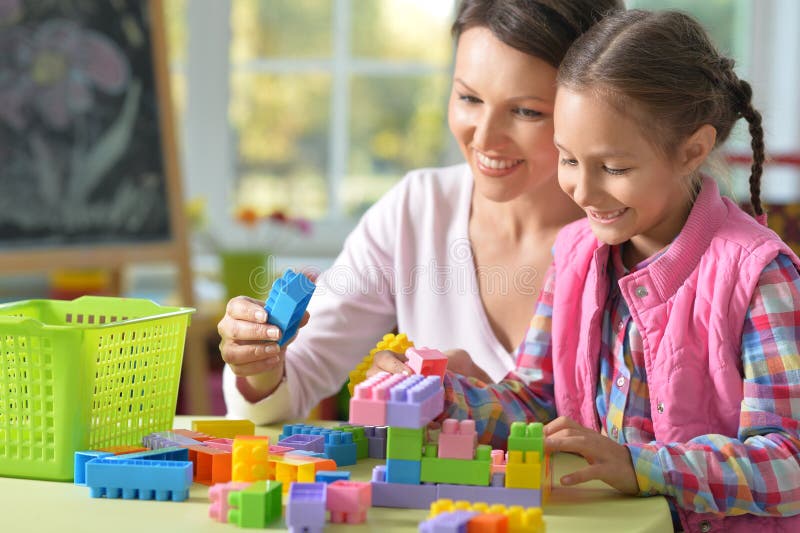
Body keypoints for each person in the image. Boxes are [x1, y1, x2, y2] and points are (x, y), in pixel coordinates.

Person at [444, 8, 800, 532]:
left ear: (693, 150)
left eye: (613, 168)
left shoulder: (759, 276)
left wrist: (641, 466)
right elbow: (538, 404)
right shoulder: (573, 254)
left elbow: (787, 464)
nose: (583, 192)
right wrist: (444, 395)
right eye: (568, 158)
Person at [218, 0, 623, 424]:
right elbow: (290, 384)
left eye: (526, 111)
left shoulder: (633, 230)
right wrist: (258, 363)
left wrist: (488, 407)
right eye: (469, 97)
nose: (485, 137)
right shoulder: (418, 210)